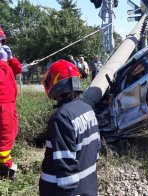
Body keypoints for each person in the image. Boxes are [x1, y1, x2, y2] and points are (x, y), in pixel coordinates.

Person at [39, 60, 100, 195]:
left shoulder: (61, 118)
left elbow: (65, 165)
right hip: (87, 187)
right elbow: (95, 152)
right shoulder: (88, 109)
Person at [0, 28, 22, 180]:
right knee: (5, 136)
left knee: (10, 132)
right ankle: (4, 169)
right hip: (3, 104)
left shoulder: (5, 60)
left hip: (9, 104)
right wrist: (2, 62)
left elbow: (18, 70)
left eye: (1, 42)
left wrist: (11, 58)